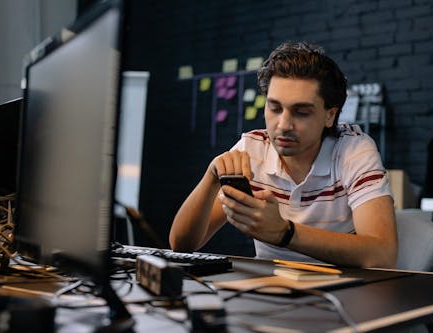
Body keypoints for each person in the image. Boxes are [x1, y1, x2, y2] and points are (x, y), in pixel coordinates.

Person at [170, 41, 397, 268]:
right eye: (275, 108)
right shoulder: (251, 150)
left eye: (301, 112)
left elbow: (382, 254)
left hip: (342, 291)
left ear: (330, 115)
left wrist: (284, 233)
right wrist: (211, 178)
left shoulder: (353, 151)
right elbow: (181, 245)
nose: (283, 125)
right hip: (270, 288)